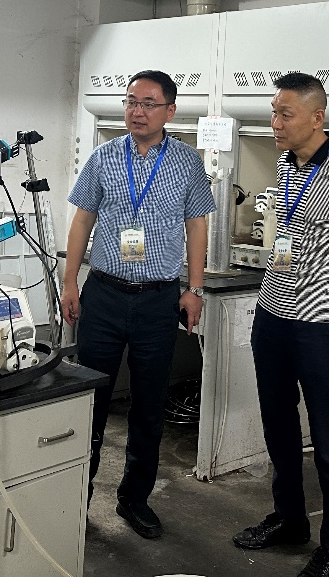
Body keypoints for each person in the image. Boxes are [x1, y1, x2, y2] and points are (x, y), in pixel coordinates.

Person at [233, 72, 329, 577]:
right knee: (277, 425)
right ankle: (289, 518)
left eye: (286, 114)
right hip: (272, 316)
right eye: (273, 113)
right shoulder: (284, 163)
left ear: (317, 118)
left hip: (320, 324)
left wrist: (326, 281)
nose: (275, 123)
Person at [62, 70, 215, 540]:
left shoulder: (188, 163)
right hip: (104, 294)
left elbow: (197, 225)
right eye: (131, 102)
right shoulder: (104, 157)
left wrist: (194, 289)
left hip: (157, 299)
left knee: (148, 407)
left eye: (149, 103)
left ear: (170, 111)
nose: (137, 111)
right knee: (91, 400)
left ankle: (134, 499)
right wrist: (70, 282)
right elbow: (82, 220)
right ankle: (75, 501)